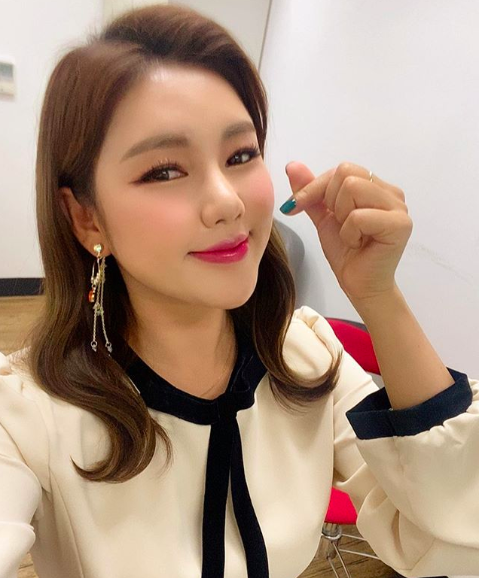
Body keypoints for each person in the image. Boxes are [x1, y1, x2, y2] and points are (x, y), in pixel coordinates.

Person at [0, 4, 477, 578]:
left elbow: (453, 536)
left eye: (241, 155)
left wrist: (379, 297)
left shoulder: (304, 358)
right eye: (164, 171)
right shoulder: (25, 414)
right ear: (86, 218)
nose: (227, 201)